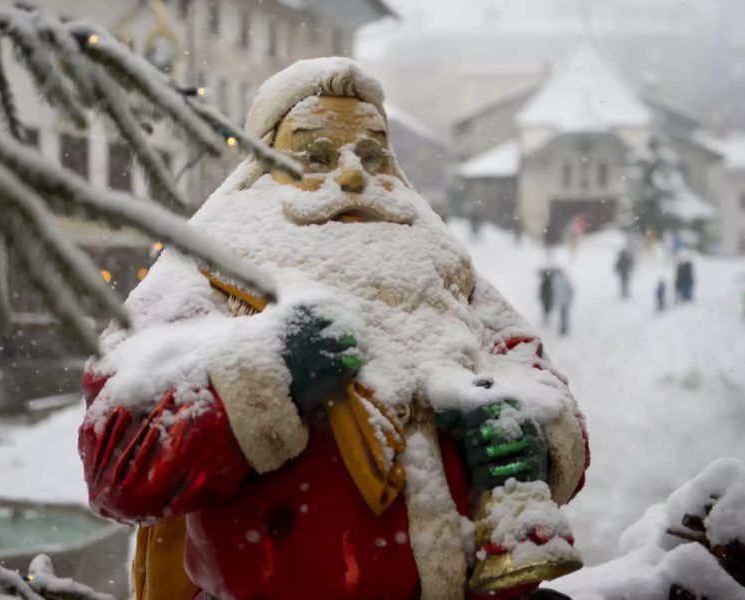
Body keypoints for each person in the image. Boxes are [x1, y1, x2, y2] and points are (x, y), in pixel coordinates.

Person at [78, 58, 588, 600]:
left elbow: (544, 389)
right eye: (314, 157)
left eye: (372, 155)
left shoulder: (443, 269)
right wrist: (259, 378)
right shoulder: (205, 271)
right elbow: (117, 464)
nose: (352, 175)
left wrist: (533, 435)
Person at [551, 269, 574, 336]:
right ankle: (565, 328)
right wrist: (569, 298)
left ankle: (562, 328)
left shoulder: (555, 282)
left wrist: (555, 300)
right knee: (565, 316)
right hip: (566, 302)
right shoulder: (566, 281)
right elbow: (571, 291)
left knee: (562, 315)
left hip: (560, 302)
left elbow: (553, 292)